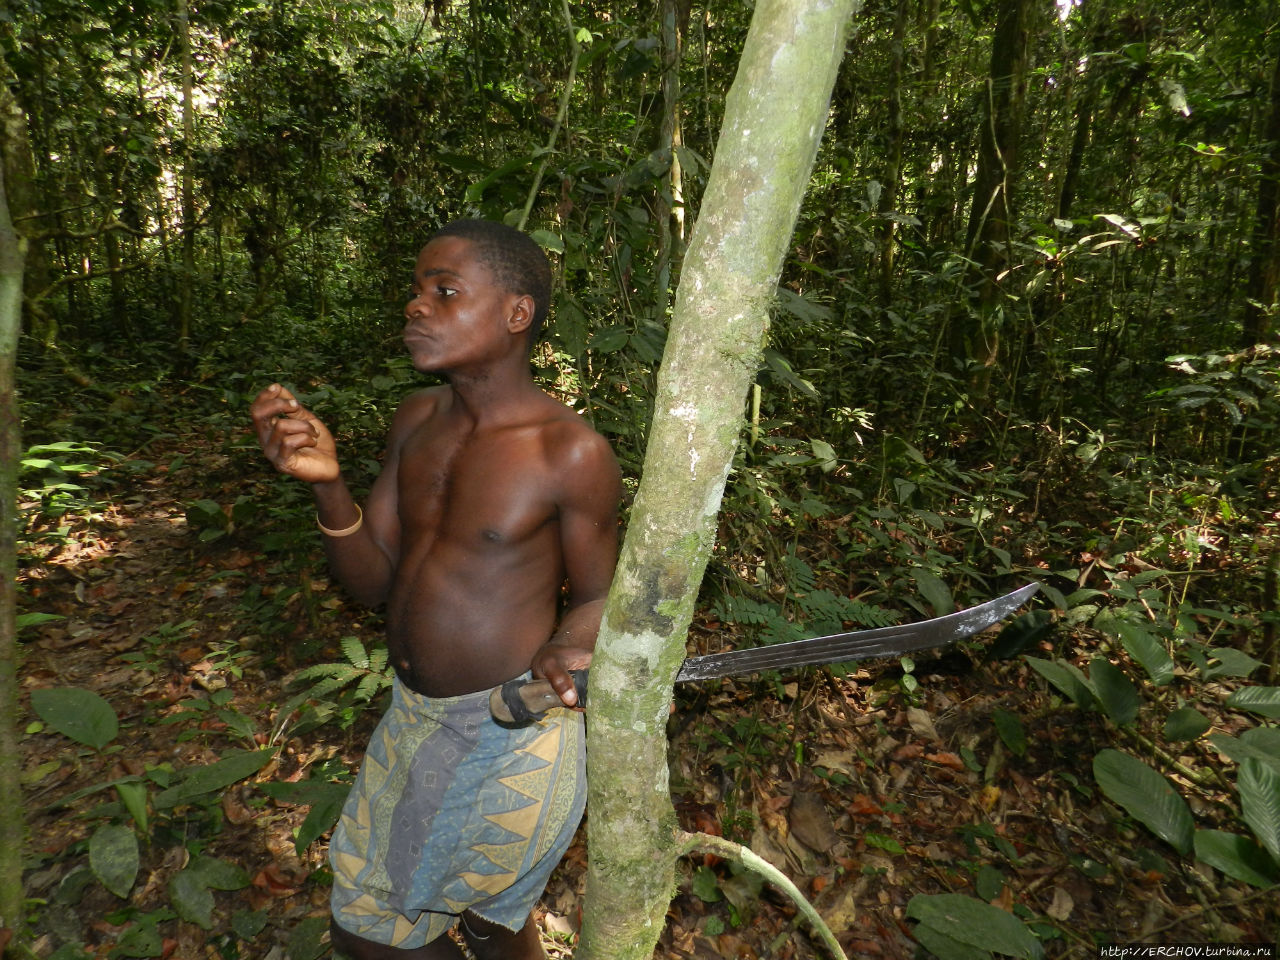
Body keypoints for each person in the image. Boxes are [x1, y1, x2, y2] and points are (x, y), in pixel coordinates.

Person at [250, 219, 622, 960]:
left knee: (370, 930)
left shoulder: (569, 451)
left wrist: (570, 645)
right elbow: (373, 581)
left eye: (444, 292)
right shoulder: (417, 420)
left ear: (516, 314)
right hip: (412, 716)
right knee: (490, 924)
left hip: (512, 732)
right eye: (417, 291)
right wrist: (328, 489)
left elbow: (600, 596)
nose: (417, 306)